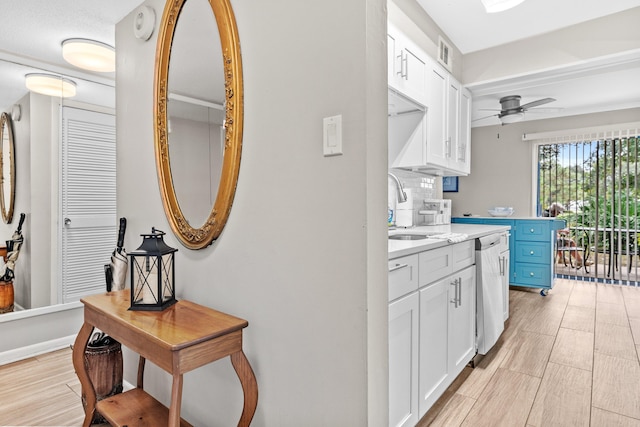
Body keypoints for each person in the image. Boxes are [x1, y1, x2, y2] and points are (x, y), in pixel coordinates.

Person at [548, 202, 592, 268]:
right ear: (555, 210)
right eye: (558, 212)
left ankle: (562, 258)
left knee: (559, 239)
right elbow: (549, 228)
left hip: (551, 240)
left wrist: (558, 232)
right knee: (570, 242)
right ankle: (579, 261)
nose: (558, 214)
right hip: (550, 241)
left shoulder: (547, 215)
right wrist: (563, 230)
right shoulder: (549, 216)